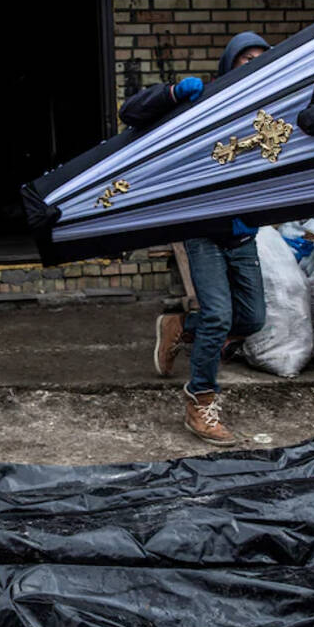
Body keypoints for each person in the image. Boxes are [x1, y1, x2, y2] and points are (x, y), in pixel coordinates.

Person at [119, 31, 271, 446]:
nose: (253, 62)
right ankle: (199, 401)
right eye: (245, 58)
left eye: (262, 57)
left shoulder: (272, 110)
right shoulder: (204, 102)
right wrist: (171, 94)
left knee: (252, 319)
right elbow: (130, 113)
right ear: (228, 64)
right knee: (219, 316)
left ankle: (180, 326)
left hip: (242, 234)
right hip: (202, 231)